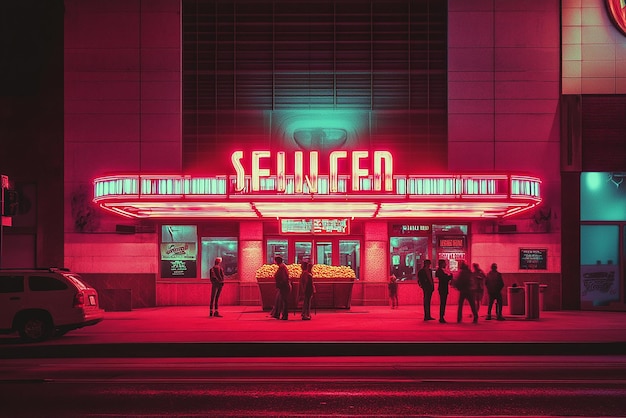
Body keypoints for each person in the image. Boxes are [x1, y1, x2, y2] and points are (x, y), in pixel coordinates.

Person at [273, 256, 290, 320]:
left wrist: (280, 284)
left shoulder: (282, 267)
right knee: (280, 300)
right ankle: (278, 314)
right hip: (283, 286)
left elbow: (284, 278)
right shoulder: (282, 267)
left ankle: (284, 315)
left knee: (283, 301)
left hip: (284, 287)